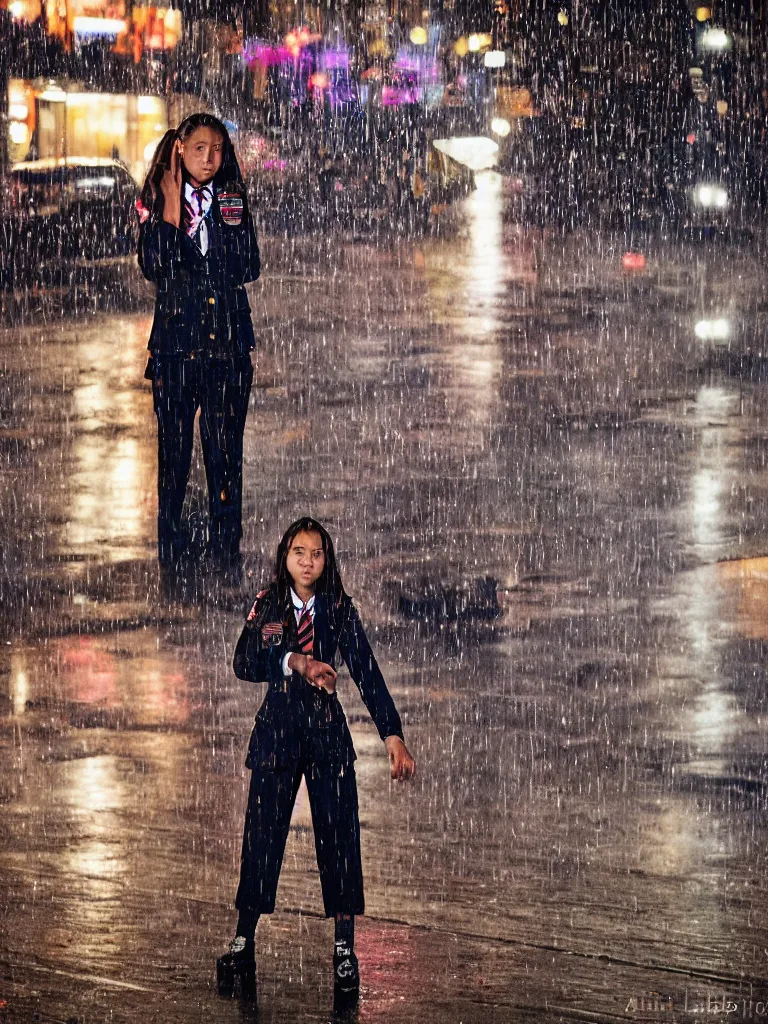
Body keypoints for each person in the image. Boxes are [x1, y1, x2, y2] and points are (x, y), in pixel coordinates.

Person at [217, 517, 416, 1001]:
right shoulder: (269, 607)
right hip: (278, 735)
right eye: (299, 553)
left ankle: (345, 949)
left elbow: (367, 671)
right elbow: (244, 662)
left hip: (327, 736)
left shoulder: (339, 611)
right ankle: (244, 940)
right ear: (285, 557)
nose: (308, 562)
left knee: (340, 838)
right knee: (261, 837)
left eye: (317, 554)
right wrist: (292, 661)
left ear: (327, 561)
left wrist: (392, 734)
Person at [136, 113, 260, 568]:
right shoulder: (155, 199)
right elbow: (156, 267)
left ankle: (224, 556)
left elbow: (249, 265)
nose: (209, 159)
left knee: (226, 457)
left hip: (228, 350)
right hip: (174, 352)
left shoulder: (231, 200)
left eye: (218, 150)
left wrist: (223, 230)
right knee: (173, 460)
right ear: (180, 150)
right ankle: (173, 555)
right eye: (200, 148)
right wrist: (171, 207)